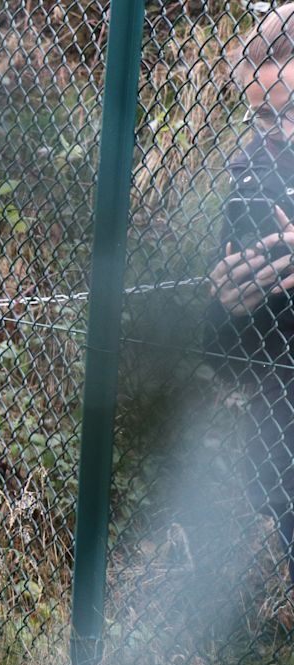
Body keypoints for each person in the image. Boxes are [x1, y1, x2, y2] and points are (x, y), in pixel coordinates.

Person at [207, 2, 294, 586]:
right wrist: (226, 306)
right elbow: (218, 357)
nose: (280, 138)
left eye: (292, 116)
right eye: (266, 123)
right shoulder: (249, 186)